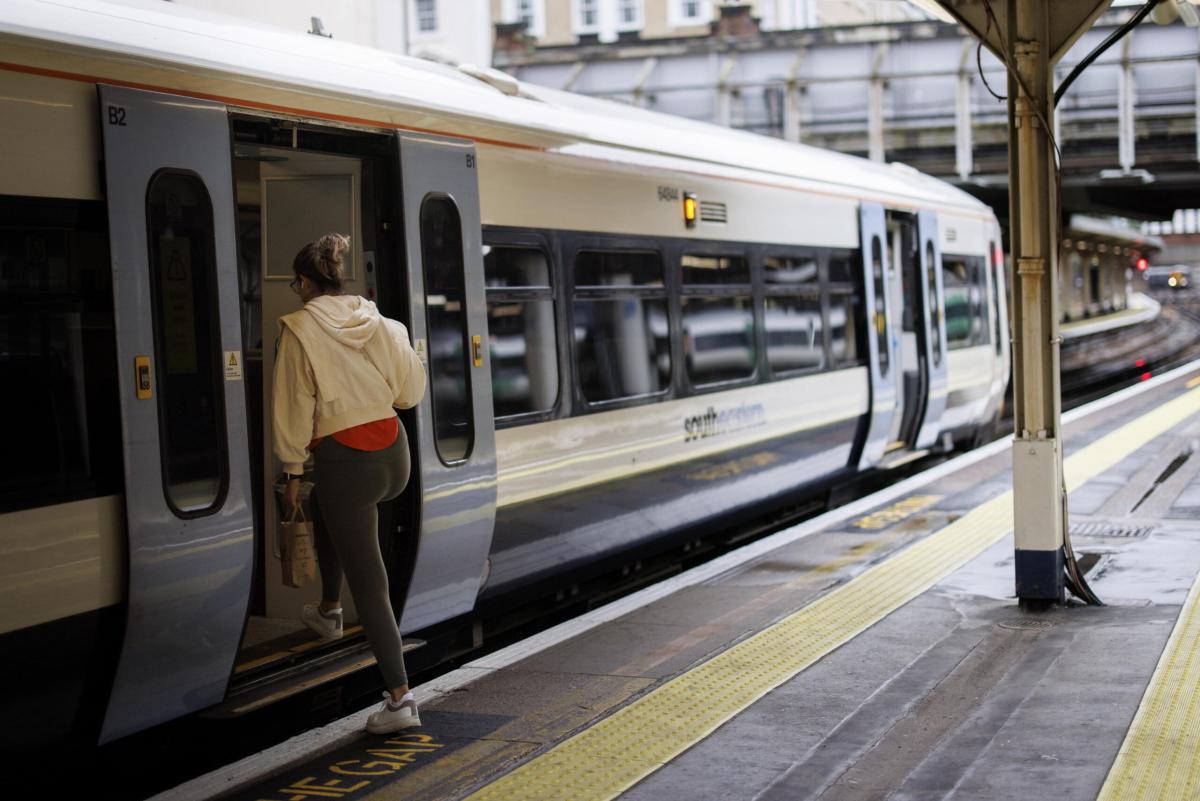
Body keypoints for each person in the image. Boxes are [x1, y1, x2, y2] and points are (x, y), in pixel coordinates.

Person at [273, 233, 427, 734]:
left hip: (349, 461)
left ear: (302, 283)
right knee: (334, 513)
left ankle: (401, 700)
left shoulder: (298, 329)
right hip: (394, 453)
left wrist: (292, 469)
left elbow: (293, 405)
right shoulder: (379, 320)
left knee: (372, 582)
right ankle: (329, 609)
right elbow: (409, 393)